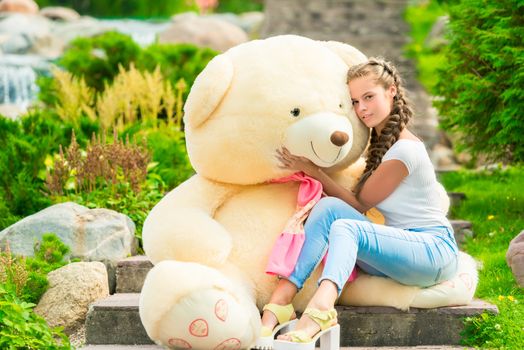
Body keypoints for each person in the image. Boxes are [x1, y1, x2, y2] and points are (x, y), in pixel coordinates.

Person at [259, 57, 459, 348]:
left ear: (391, 91)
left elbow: (357, 207)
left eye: (369, 97)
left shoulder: (405, 151)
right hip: (401, 251)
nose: (361, 108)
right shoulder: (381, 144)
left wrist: (313, 170)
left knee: (346, 227)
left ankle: (322, 309)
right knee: (327, 209)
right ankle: (281, 301)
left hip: (433, 252)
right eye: (355, 101)